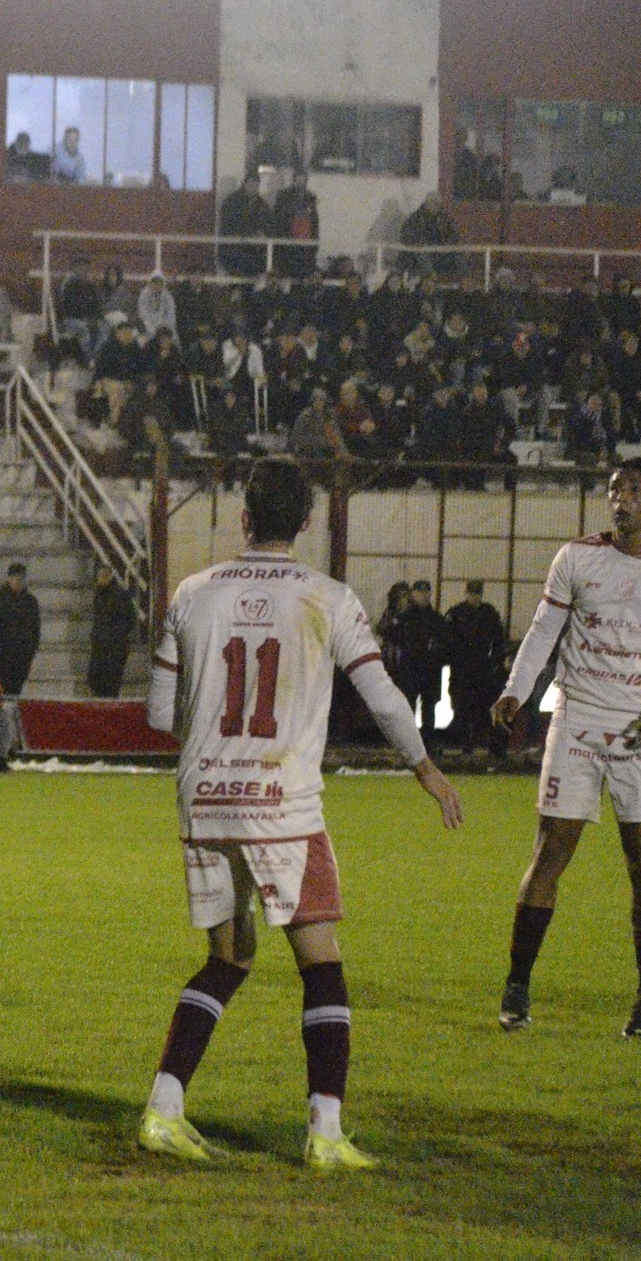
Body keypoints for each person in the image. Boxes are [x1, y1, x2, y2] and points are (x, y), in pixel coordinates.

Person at [140, 457, 463, 1170]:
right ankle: (325, 1131)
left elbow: (162, 712)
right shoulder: (328, 598)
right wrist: (425, 768)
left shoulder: (192, 594)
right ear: (307, 523)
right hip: (282, 804)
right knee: (321, 964)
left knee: (229, 958)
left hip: (205, 800)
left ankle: (163, 1110)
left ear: (244, 516)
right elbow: (382, 698)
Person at [491, 458, 641, 1040]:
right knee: (550, 853)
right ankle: (517, 986)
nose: (621, 499)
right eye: (615, 489)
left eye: (635, 490)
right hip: (578, 721)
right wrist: (517, 691)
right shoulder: (577, 557)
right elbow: (544, 630)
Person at [0, 561, 40, 756]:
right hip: (3, 658)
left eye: (21, 578)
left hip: (21, 659)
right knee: (4, 700)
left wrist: (30, 653)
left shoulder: (30, 602)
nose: (18, 581)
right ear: (8, 578)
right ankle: (4, 744)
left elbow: (35, 631)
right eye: (15, 577)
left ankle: (13, 741)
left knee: (14, 699)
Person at [443, 580, 506, 756]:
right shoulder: (456, 613)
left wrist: (496, 662)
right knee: (461, 708)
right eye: (472, 593)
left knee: (485, 709)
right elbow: (447, 641)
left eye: (477, 594)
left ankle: (494, 746)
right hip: (461, 669)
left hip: (482, 668)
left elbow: (498, 640)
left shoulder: (489, 613)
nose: (475, 597)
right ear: (466, 594)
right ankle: (466, 745)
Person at [392, 580, 446, 740]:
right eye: (419, 592)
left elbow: (445, 642)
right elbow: (393, 636)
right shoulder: (405, 618)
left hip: (430, 669)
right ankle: (409, 742)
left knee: (429, 707)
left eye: (426, 593)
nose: (423, 596)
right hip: (411, 668)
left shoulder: (436, 619)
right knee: (409, 706)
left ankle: (427, 744)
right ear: (413, 594)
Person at [87, 567, 137, 697]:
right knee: (103, 685)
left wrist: (115, 635)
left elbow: (130, 620)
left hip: (113, 646)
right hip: (103, 645)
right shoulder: (100, 595)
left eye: (104, 576)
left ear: (110, 576)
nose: (101, 579)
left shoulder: (118, 595)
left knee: (109, 685)